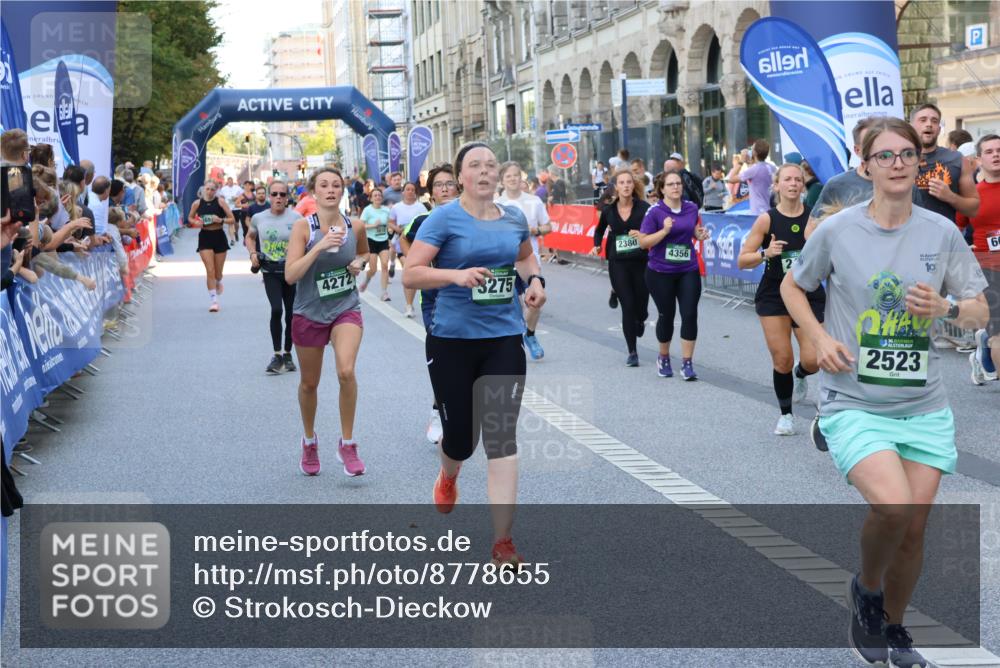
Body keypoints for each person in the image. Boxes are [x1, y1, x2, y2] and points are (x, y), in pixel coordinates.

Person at [780, 117, 989, 668]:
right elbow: (792, 285)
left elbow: (979, 310)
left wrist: (946, 308)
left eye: (907, 154)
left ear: (919, 164)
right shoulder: (839, 229)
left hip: (922, 404)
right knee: (893, 507)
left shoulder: (940, 233)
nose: (898, 163)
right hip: (854, 399)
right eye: (886, 155)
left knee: (915, 528)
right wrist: (819, 336)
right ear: (865, 164)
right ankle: (867, 591)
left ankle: (895, 628)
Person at [404, 142, 546, 567]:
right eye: (475, 166)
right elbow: (411, 272)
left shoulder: (514, 218)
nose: (484, 172)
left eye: (490, 165)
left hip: (503, 337)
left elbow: (525, 257)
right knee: (462, 441)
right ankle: (449, 474)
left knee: (502, 438)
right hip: (451, 340)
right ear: (461, 177)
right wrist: (455, 274)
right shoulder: (443, 218)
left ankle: (503, 541)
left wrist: (535, 281)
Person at [284, 167, 370, 477]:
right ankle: (309, 441)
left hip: (345, 308)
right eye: (324, 185)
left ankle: (348, 444)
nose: (331, 189)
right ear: (313, 192)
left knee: (346, 371)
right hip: (308, 312)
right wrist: (319, 245)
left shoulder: (355, 225)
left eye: (336, 184)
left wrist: (359, 263)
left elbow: (364, 253)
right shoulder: (302, 229)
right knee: (310, 383)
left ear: (342, 191)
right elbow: (291, 274)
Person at [737, 164, 823, 435]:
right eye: (787, 179)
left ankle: (801, 374)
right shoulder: (767, 220)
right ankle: (786, 414)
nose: (793, 184)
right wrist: (766, 253)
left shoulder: (814, 219)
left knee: (813, 359)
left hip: (807, 292)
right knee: (782, 357)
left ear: (803, 185)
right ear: (776, 185)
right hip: (774, 293)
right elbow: (743, 260)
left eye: (798, 179)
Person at [401, 164, 460, 444]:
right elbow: (404, 239)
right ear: (431, 193)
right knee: (446, 361)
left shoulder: (472, 218)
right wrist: (409, 262)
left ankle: (457, 409)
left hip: (469, 297)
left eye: (450, 183)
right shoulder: (424, 221)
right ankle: (439, 411)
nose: (445, 188)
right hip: (436, 300)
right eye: (439, 185)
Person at [638, 171, 710, 379]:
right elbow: (643, 243)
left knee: (689, 314)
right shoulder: (655, 212)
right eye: (670, 184)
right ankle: (664, 357)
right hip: (660, 272)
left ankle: (687, 363)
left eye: (678, 183)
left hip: (687, 268)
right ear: (662, 189)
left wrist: (699, 234)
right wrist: (664, 232)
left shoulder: (691, 208)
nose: (676, 187)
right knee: (666, 316)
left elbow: (694, 230)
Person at [590, 169, 651, 366]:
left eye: (629, 182)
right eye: (622, 182)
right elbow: (599, 231)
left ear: (633, 186)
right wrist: (597, 244)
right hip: (618, 262)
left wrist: (643, 234)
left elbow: (654, 229)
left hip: (641, 261)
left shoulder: (644, 208)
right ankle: (632, 351)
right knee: (628, 306)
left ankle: (641, 319)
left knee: (641, 304)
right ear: (616, 187)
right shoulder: (608, 210)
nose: (625, 186)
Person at [497, 161, 552, 360]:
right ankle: (512, 343)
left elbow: (548, 226)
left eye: (515, 175)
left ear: (522, 178)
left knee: (536, 301)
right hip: (504, 261)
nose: (512, 179)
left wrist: (534, 230)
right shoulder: (496, 203)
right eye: (508, 176)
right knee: (513, 306)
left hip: (530, 260)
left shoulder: (533, 201)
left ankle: (529, 334)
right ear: (502, 180)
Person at [957, 134, 1000, 385]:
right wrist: (964, 249)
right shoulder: (973, 195)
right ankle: (989, 340)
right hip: (988, 267)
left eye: (999, 150)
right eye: (990, 151)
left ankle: (983, 345)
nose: (996, 154)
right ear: (979, 159)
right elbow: (955, 228)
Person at [246, 180, 299, 375]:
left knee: (292, 314)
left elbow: (306, 241)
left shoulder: (296, 218)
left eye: (282, 194)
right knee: (277, 309)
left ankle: (288, 354)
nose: (278, 198)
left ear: (287, 198)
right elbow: (250, 237)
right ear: (269, 196)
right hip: (270, 271)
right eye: (274, 194)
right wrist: (253, 254)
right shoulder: (259, 218)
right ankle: (276, 355)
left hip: (291, 271)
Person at [911, 103, 979, 223]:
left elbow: (974, 209)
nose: (929, 124)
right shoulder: (898, 159)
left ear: (939, 129)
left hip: (943, 237)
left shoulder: (957, 159)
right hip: (907, 237)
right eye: (923, 120)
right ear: (911, 126)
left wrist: (950, 197)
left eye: (934, 121)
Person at [187, 179, 235, 312]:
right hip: (205, 237)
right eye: (207, 189)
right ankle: (214, 301)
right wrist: (196, 223)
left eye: (212, 189)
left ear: (216, 190)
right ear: (203, 189)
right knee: (210, 270)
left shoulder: (220, 202)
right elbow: (190, 218)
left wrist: (221, 220)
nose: (209, 192)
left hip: (219, 236)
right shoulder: (197, 203)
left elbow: (232, 219)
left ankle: (218, 281)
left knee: (218, 273)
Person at [388, 182, 428, 317]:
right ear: (403, 192)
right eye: (407, 189)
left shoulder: (421, 207)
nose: (410, 192)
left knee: (415, 274)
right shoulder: (396, 207)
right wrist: (398, 229)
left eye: (412, 189)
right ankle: (409, 305)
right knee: (409, 270)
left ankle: (411, 304)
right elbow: (390, 222)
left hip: (418, 245)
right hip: (402, 244)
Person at [359, 187, 392, 300]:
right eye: (375, 195)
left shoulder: (386, 210)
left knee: (384, 265)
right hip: (371, 241)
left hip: (383, 240)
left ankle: (384, 293)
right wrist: (373, 226)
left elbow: (389, 224)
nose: (378, 197)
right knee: (373, 269)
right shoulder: (367, 210)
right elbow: (361, 225)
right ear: (371, 198)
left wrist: (390, 229)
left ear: (382, 198)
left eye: (379, 195)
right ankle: (366, 280)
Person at [726, 139, 775, 215]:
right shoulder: (772, 167)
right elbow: (757, 173)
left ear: (754, 153)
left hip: (757, 212)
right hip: (769, 210)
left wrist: (741, 161)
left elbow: (731, 179)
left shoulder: (753, 170)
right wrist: (750, 162)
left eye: (752, 148)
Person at [218, 176, 243, 245]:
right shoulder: (223, 189)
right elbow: (221, 197)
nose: (230, 182)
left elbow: (243, 196)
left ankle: (236, 232)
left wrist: (237, 198)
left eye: (231, 181)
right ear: (227, 182)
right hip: (228, 208)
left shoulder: (238, 188)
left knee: (236, 223)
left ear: (232, 181)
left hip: (236, 208)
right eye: (228, 181)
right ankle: (232, 240)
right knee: (230, 224)